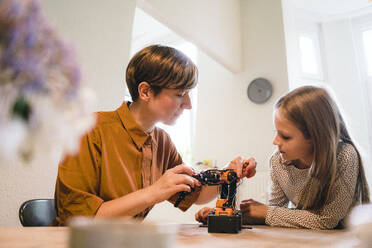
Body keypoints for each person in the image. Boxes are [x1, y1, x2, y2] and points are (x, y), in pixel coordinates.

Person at [54, 44, 257, 226]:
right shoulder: (90, 129)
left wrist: (228, 174)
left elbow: (195, 195)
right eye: (179, 94)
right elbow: (78, 220)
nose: (188, 105)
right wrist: (154, 192)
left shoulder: (162, 141)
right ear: (146, 92)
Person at [196, 85, 370, 229]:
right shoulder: (279, 161)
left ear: (315, 137)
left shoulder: (345, 156)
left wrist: (266, 212)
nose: (275, 141)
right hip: (308, 238)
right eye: (276, 133)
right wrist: (225, 216)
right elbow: (275, 213)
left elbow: (327, 220)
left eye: (285, 136)